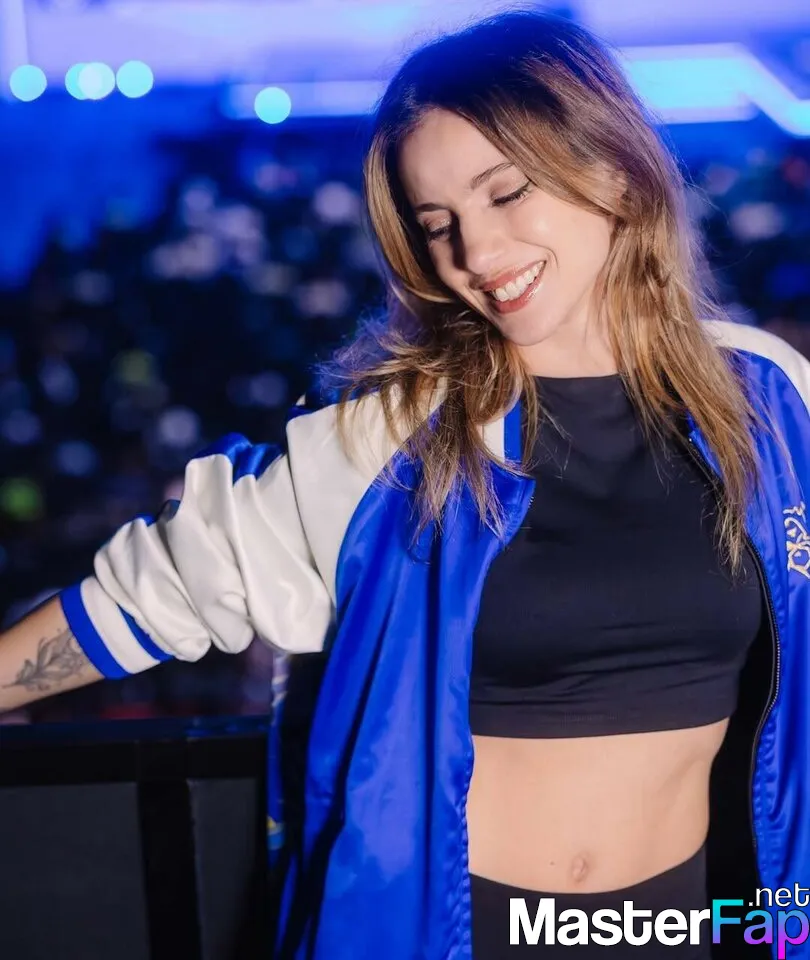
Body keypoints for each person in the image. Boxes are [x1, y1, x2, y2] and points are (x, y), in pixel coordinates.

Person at [1, 9, 809, 958]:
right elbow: (146, 600)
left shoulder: (768, 396)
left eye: (506, 193)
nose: (476, 254)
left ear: (615, 168)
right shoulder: (387, 436)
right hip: (453, 933)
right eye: (438, 226)